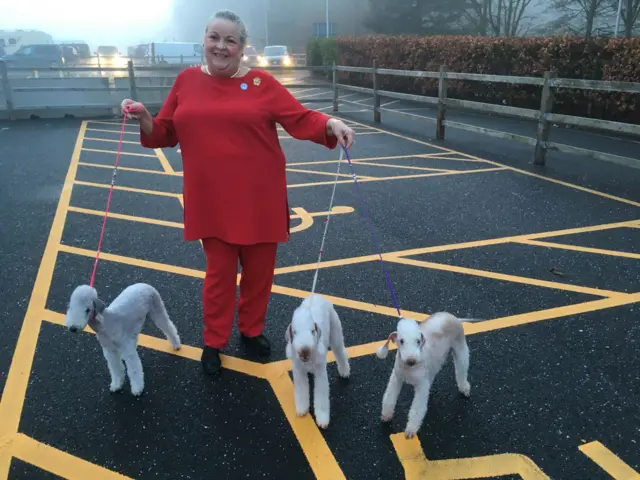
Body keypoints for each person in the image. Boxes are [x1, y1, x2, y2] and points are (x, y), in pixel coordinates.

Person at [120, 9, 355, 376]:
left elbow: (299, 118)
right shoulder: (185, 81)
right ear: (204, 40)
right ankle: (213, 342)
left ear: (242, 48)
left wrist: (330, 122)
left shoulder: (263, 83)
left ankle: (251, 331)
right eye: (215, 37)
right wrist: (144, 116)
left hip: (260, 198)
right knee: (219, 276)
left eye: (230, 40)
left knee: (260, 274)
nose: (221, 46)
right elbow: (165, 131)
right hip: (210, 200)